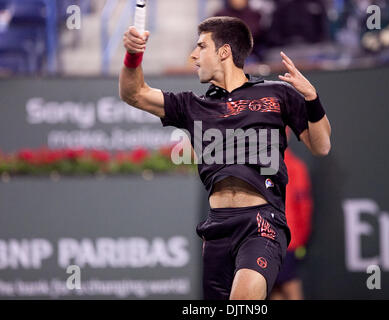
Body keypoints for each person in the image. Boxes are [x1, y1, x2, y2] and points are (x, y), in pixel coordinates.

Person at [119, 16, 331, 300]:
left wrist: (312, 100)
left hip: (261, 223)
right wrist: (133, 54)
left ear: (224, 52)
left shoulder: (277, 93)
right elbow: (134, 93)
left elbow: (321, 145)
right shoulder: (193, 105)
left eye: (201, 47)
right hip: (217, 227)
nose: (193, 55)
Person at [270, 143, 313, 300]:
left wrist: (300, 239)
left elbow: (304, 206)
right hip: (268, 238)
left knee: (290, 285)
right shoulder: (258, 164)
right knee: (275, 289)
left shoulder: (295, 166)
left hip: (286, 239)